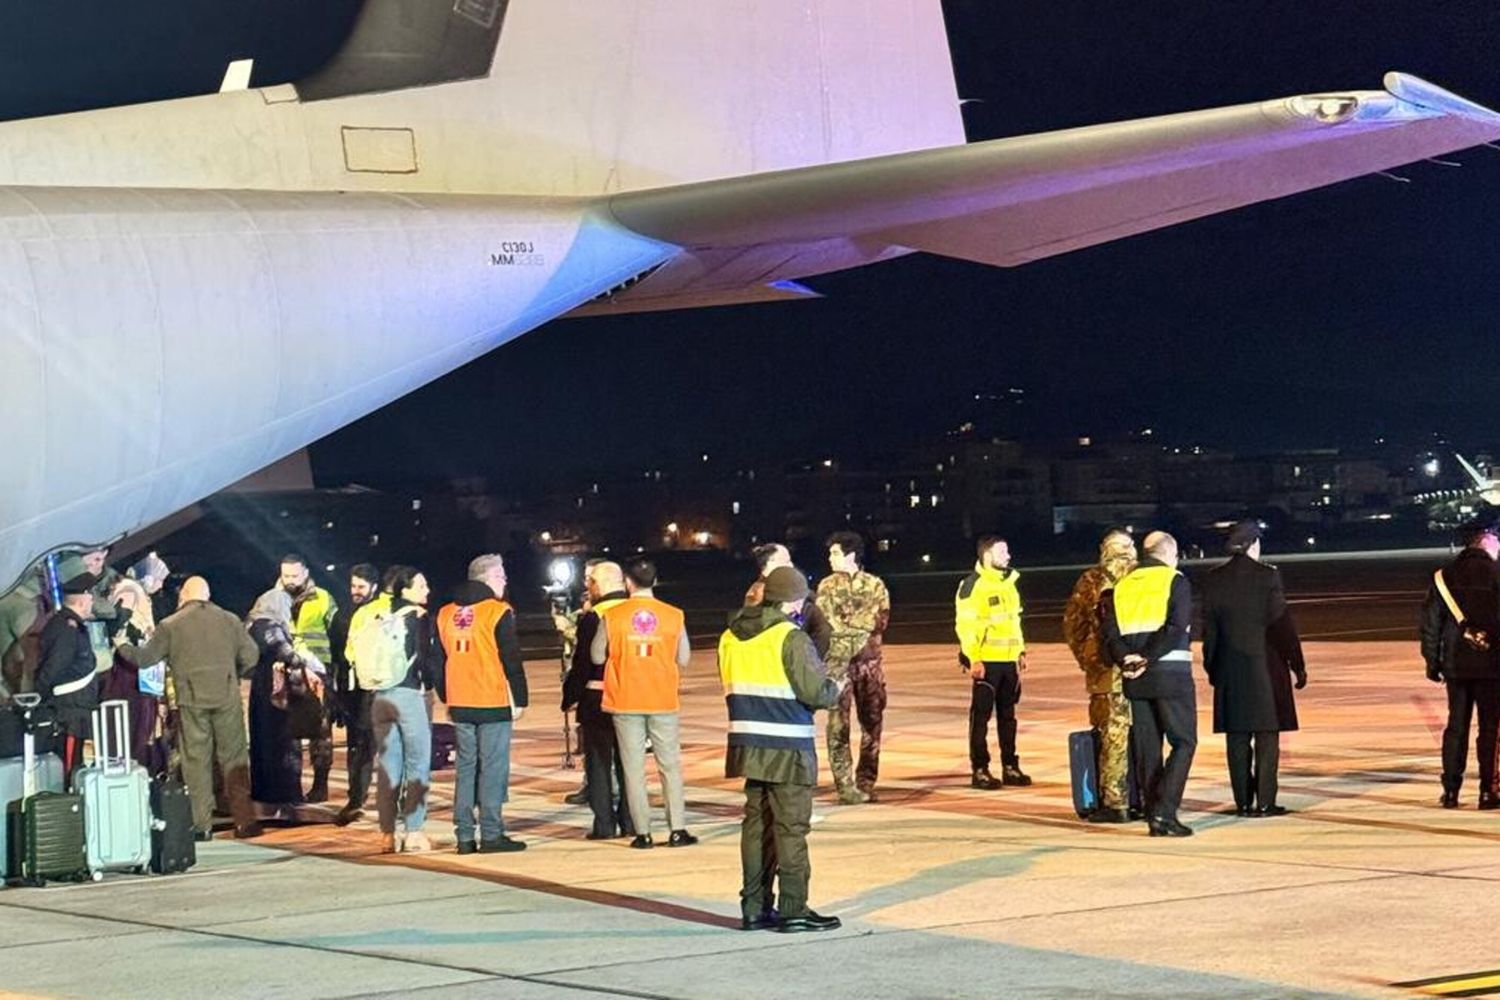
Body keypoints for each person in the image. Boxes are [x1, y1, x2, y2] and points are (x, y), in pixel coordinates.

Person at [721, 566, 844, 933]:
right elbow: (814, 692)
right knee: (791, 829)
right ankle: (793, 908)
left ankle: (754, 907)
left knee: (756, 828)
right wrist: (835, 687)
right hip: (787, 746)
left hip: (747, 743)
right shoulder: (790, 637)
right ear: (794, 601)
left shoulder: (730, 637)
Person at [116, 576, 262, 839]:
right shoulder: (229, 620)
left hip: (191, 700)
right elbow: (251, 656)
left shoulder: (171, 625)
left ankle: (201, 824)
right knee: (234, 759)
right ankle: (244, 821)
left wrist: (122, 645)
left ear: (183, 595)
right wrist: (232, 675)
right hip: (226, 697)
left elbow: (145, 658)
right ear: (207, 595)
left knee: (196, 762)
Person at [1202, 521, 1308, 817]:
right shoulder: (1268, 576)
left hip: (1229, 669)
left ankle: (1242, 802)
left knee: (1236, 738)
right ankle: (1265, 801)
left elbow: (1210, 632)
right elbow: (1281, 624)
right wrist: (1297, 664)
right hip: (1266, 667)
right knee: (1266, 736)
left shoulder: (1214, 579)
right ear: (1253, 545)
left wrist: (1213, 669)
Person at [591, 558, 697, 849]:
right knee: (670, 767)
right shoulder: (674, 615)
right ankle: (677, 829)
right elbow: (684, 658)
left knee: (633, 769)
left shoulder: (612, 616)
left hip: (625, 700)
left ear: (628, 582)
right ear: (655, 581)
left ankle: (643, 833)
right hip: (662, 698)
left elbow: (597, 656)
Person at [1100, 531, 1197, 837]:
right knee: (1184, 742)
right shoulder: (1174, 580)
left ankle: (1152, 811)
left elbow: (1110, 635)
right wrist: (1146, 657)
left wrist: (1127, 660)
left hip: (1135, 678)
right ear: (1169, 553)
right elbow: (1176, 627)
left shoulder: (1121, 586)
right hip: (1170, 675)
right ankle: (1164, 812)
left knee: (1147, 748)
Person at [434, 554, 529, 854]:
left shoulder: (445, 613)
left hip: (460, 701)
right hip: (492, 700)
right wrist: (521, 698)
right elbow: (511, 658)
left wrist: (447, 695)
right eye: (501, 576)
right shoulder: (497, 612)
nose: (505, 581)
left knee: (465, 768)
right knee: (492, 768)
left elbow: (438, 661)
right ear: (487, 579)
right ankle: (491, 834)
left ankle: (464, 836)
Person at [1420, 520, 1500, 809]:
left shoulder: (1443, 577)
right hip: (1491, 664)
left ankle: (1451, 790)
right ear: (1485, 541)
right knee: (1490, 728)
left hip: (1455, 665)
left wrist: (1433, 662)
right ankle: (1488, 790)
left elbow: (1430, 625)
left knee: (1456, 726)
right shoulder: (1496, 573)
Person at [1061, 529, 1139, 823]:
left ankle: (1116, 802)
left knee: (1112, 736)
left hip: (1106, 672)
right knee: (1144, 734)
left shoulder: (1092, 579)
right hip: (1144, 667)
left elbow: (1073, 625)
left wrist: (1087, 658)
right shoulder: (1142, 577)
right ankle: (1147, 796)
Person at [364, 565, 437, 853]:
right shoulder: (417, 616)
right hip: (408, 694)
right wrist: (431, 685)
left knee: (388, 765)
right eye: (421, 586)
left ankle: (387, 834)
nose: (427, 590)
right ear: (405, 590)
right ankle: (414, 831)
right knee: (417, 764)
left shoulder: (380, 614)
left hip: (380, 697)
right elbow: (425, 659)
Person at [814, 531, 890, 804]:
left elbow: (878, 621)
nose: (830, 558)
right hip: (838, 667)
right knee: (837, 726)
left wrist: (846, 627)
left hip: (869, 666)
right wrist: (856, 627)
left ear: (851, 555)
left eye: (835, 553)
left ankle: (866, 781)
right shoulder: (826, 586)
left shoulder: (874, 585)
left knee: (872, 723)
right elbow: (825, 623)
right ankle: (844, 785)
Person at [562, 560, 634, 839]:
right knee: (629, 763)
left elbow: (583, 663)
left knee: (599, 763)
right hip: (633, 696)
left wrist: (569, 696)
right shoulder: (634, 612)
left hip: (598, 696)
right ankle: (631, 819)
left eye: (591, 581)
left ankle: (604, 824)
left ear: (599, 585)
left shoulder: (594, 617)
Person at [955, 535, 1032, 790]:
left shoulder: (1008, 583)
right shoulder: (973, 585)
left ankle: (1010, 766)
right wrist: (974, 658)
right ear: (987, 555)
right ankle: (980, 769)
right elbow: (966, 626)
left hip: (1008, 662)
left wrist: (1020, 651)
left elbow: (1014, 622)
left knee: (1008, 717)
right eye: (1002, 552)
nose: (1008, 556)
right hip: (987, 662)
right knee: (981, 718)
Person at [246, 588, 323, 808]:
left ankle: (265, 791)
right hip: (276, 693)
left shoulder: (253, 625)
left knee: (263, 742)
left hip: (262, 689)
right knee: (283, 741)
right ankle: (285, 792)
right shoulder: (268, 626)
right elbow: (284, 651)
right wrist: (306, 663)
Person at [101, 552, 171, 768]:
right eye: (159, 579)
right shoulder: (131, 592)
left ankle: (139, 761)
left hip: (136, 665)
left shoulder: (132, 591)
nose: (160, 585)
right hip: (130, 667)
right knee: (135, 718)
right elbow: (118, 627)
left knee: (141, 717)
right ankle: (134, 763)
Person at [277, 554, 338, 803]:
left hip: (318, 672)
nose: (290, 580)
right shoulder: (274, 599)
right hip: (286, 672)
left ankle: (320, 785)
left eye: (294, 575)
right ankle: (291, 786)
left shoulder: (323, 598)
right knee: (287, 731)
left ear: (305, 573)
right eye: (286, 575)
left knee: (320, 731)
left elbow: (336, 633)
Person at [36, 572, 102, 781]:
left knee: (78, 767)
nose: (92, 601)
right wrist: (40, 697)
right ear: (81, 601)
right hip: (68, 713)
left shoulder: (72, 625)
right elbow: (54, 667)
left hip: (77, 711)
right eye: (90, 596)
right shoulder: (66, 628)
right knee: (68, 771)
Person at [328, 563, 380, 825]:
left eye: (361, 586)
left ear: (374, 587)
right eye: (353, 586)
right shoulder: (343, 615)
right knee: (358, 745)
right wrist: (337, 694)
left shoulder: (382, 613)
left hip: (378, 689)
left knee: (379, 745)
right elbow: (337, 656)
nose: (356, 591)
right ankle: (356, 798)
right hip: (352, 691)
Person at [746, 543, 831, 658]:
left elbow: (822, 629)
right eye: (786, 561)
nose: (791, 565)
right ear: (771, 563)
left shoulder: (790, 584)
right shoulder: (758, 593)